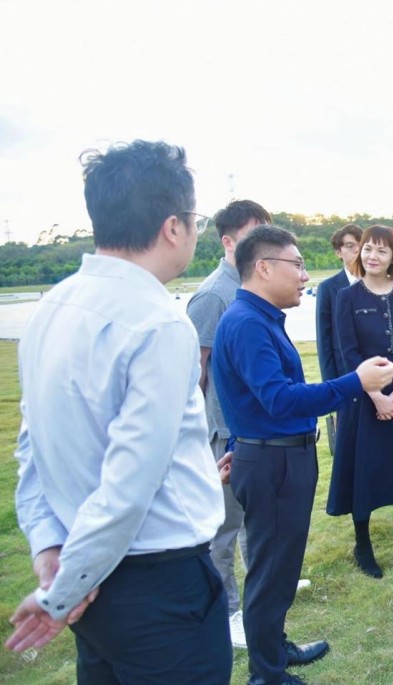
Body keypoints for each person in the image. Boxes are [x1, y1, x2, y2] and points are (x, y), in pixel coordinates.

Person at [7, 140, 232, 683]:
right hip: (158, 587)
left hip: (93, 579)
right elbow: (129, 483)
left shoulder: (50, 307)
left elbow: (29, 451)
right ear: (174, 227)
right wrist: (66, 587)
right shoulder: (158, 322)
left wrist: (51, 550)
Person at [212, 225, 393, 685]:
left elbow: (248, 399)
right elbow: (279, 399)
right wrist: (356, 384)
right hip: (273, 462)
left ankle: (274, 649)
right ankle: (266, 674)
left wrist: (239, 445)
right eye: (296, 265)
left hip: (270, 456)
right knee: (271, 574)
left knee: (277, 567)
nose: (304, 275)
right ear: (264, 267)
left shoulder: (259, 317)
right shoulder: (248, 323)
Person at [186, 198, 272, 650]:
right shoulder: (212, 295)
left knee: (254, 520)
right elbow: (193, 377)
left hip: (252, 430)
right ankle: (230, 611)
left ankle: (258, 590)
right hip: (221, 434)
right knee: (223, 529)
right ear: (227, 241)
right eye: (253, 236)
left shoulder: (247, 286)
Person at [326, 225, 393, 578]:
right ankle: (363, 543)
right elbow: (348, 351)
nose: (373, 256)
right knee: (365, 469)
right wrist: (375, 395)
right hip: (363, 398)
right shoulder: (347, 296)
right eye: (368, 249)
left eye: (381, 251)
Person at [316, 223, 363, 381]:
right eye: (350, 246)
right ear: (338, 252)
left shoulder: (379, 284)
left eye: (361, 245)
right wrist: (330, 384)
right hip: (345, 374)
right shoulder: (328, 288)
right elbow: (324, 339)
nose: (357, 250)